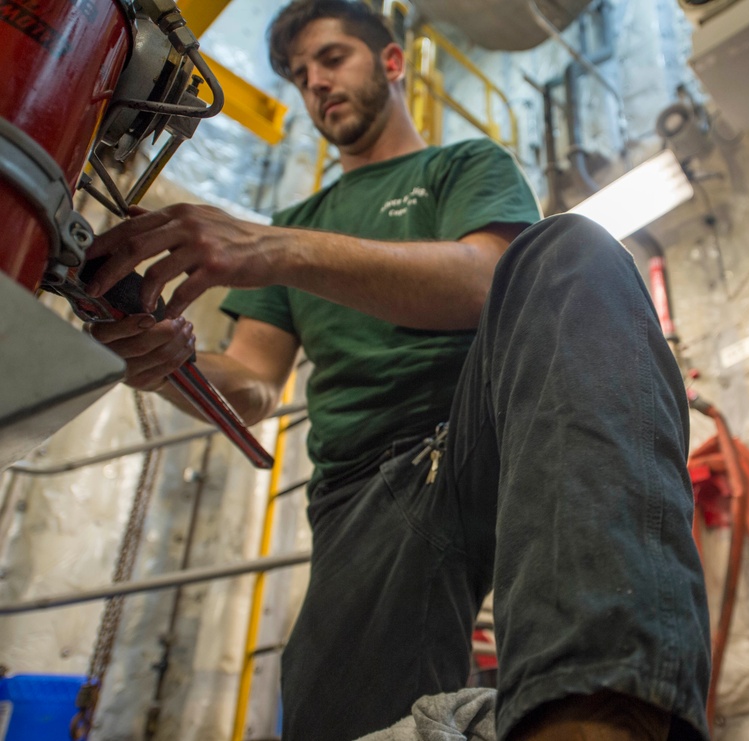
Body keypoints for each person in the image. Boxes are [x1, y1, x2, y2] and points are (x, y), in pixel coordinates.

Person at [86, 1, 711, 739]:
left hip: (488, 440)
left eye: (331, 58)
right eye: (298, 74)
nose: (314, 82)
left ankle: (597, 713)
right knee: (342, 721)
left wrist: (277, 248)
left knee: (574, 252)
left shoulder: (461, 167)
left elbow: (486, 279)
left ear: (390, 62)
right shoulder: (297, 217)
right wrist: (172, 363)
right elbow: (253, 381)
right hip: (363, 486)